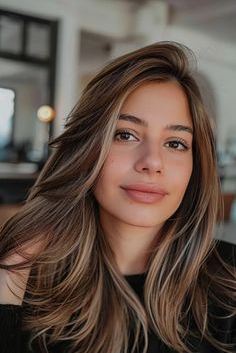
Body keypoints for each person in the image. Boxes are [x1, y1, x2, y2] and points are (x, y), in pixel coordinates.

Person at [0, 41, 235, 353]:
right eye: (126, 135)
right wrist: (11, 272)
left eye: (176, 143)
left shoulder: (229, 281)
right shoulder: (23, 276)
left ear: (196, 165)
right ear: (86, 149)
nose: (152, 162)